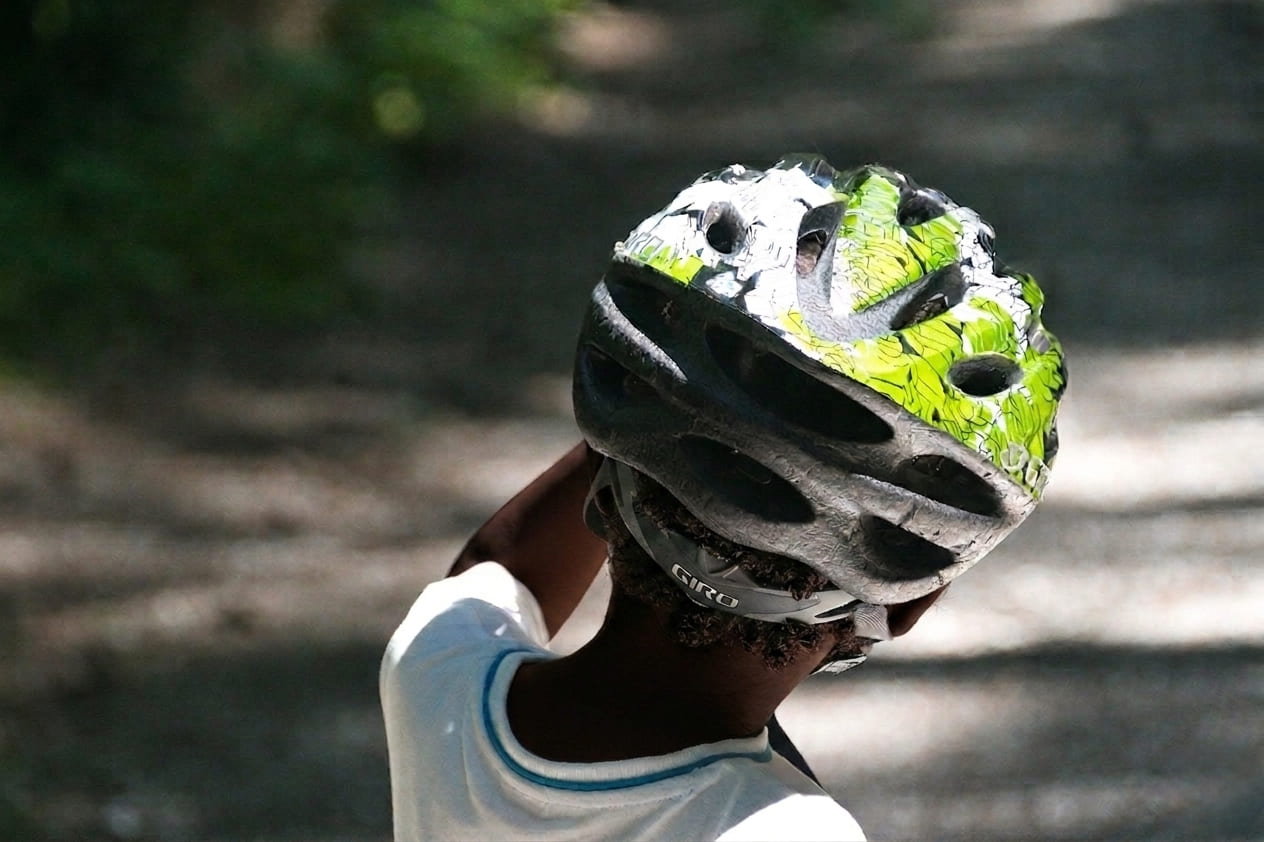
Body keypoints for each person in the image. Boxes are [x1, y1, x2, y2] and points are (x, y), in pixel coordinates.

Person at [380, 156, 1067, 840]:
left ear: (610, 477)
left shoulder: (438, 684)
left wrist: (669, 403)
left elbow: (497, 568)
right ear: (912, 603)